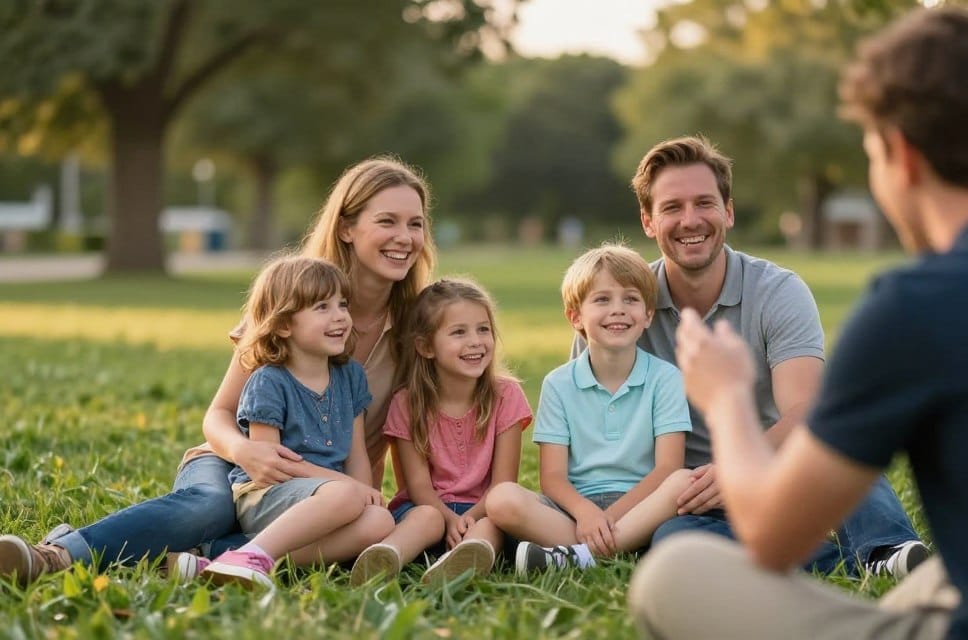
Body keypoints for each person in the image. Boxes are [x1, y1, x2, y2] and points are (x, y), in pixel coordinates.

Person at [629, 7, 968, 639]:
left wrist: (727, 396)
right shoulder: (625, 295)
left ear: (902, 154)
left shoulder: (917, 304)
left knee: (672, 576)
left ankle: (882, 559)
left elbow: (771, 535)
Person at [0, 156, 438, 585]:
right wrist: (245, 451)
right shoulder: (288, 304)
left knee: (368, 529)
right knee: (210, 507)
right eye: (387, 221)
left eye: (415, 224)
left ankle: (207, 559)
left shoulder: (418, 332)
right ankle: (55, 556)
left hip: (325, 492)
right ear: (346, 227)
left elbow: (461, 396)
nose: (404, 237)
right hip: (237, 465)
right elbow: (220, 415)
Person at [601, 134, 925, 577]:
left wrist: (730, 469)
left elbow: (805, 412)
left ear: (728, 212)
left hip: (778, 468)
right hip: (685, 495)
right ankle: (842, 566)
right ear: (648, 222)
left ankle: (890, 552)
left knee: (841, 448)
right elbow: (601, 428)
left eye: (705, 203)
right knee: (672, 541)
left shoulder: (777, 291)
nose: (690, 220)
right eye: (672, 207)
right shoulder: (620, 308)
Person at [486, 244, 694, 572]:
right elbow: (552, 478)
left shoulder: (666, 378)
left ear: (648, 315)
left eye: (631, 299)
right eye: (602, 299)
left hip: (640, 506)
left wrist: (609, 519)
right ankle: (607, 549)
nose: (618, 310)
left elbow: (667, 469)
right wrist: (586, 514)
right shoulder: (558, 383)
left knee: (683, 481)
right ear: (575, 317)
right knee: (501, 499)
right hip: (572, 509)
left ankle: (577, 555)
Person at [199, 256, 393, 589]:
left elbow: (356, 452)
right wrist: (348, 488)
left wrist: (366, 493)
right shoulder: (268, 382)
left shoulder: (350, 377)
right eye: (322, 307)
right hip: (267, 494)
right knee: (346, 496)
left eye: (342, 305)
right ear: (284, 325)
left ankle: (233, 554)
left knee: (380, 522)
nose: (339, 317)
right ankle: (254, 555)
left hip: (329, 498)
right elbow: (273, 465)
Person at [350, 279, 533, 586]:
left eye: (483, 329)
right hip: (426, 510)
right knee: (428, 518)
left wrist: (469, 519)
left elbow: (503, 483)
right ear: (425, 346)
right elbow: (417, 486)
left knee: (494, 522)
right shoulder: (407, 403)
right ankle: (386, 556)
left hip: (485, 508)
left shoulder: (507, 396)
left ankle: (465, 558)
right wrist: (448, 518)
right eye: (459, 332)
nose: (476, 341)